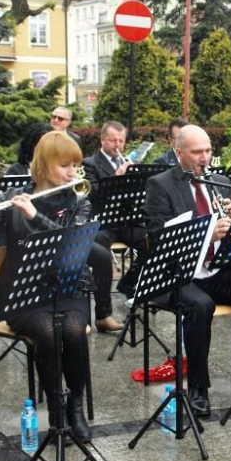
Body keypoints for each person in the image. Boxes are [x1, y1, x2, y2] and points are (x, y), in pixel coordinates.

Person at [143, 125, 231, 417]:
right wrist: (207, 234)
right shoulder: (160, 184)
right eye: (197, 152)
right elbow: (157, 239)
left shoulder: (220, 181)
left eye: (208, 151)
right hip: (178, 273)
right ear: (179, 153)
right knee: (200, 305)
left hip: (215, 270)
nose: (205, 157)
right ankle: (199, 387)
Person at [0, 131, 96, 441]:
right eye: (65, 165)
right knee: (47, 332)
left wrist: (35, 217)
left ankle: (75, 407)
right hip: (23, 293)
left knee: (72, 329)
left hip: (67, 288)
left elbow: (73, 241)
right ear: (44, 164)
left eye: (75, 165)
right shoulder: (14, 197)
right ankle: (57, 414)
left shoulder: (78, 201)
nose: (72, 172)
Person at [82, 121, 148, 331]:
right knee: (100, 253)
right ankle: (103, 315)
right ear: (102, 140)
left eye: (121, 140)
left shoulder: (127, 162)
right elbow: (91, 194)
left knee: (153, 242)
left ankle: (128, 284)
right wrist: (116, 177)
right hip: (103, 223)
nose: (117, 145)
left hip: (127, 220)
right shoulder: (90, 163)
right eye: (113, 140)